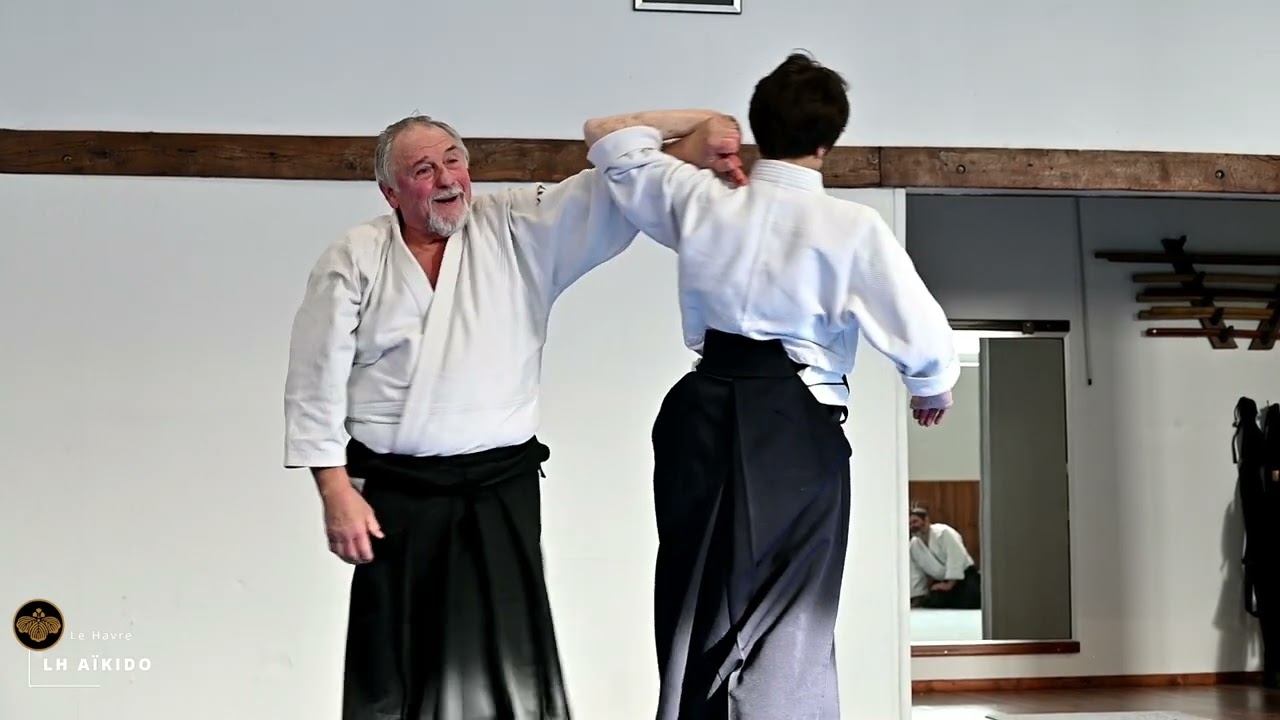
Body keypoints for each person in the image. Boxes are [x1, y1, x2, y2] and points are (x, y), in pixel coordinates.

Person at [282, 114, 731, 720]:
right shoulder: (355, 256)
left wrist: (690, 138)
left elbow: (609, 184)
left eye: (454, 160)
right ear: (391, 193)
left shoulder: (516, 225)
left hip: (500, 489)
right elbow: (314, 377)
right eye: (423, 170)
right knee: (396, 669)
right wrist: (334, 489)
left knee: (511, 665)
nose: (447, 179)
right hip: (395, 492)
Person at [581, 52, 959, 719]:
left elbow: (608, 133)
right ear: (828, 141)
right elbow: (922, 337)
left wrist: (703, 123)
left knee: (695, 601)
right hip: (793, 428)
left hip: (699, 412)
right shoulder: (849, 226)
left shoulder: (697, 198)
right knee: (790, 619)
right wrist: (931, 388)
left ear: (757, 128)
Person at [908, 506, 981, 609]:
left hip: (964, 577)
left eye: (915, 521)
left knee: (969, 603)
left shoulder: (944, 533)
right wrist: (918, 596)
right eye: (910, 524)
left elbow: (956, 558)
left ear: (926, 520)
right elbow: (916, 573)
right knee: (935, 603)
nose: (912, 526)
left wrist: (949, 584)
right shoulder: (913, 546)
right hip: (941, 581)